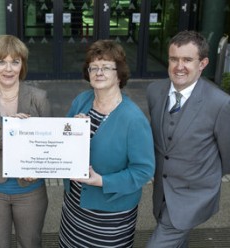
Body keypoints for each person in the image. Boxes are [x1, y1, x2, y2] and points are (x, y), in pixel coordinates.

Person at [146, 30, 230, 248]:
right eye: (174, 59)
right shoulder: (154, 91)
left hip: (193, 196)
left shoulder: (220, 104)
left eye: (187, 60)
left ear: (203, 63)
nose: (179, 66)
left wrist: (204, 178)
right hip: (162, 192)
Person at [58, 40, 155, 247]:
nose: (98, 72)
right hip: (74, 207)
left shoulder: (133, 119)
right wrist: (70, 131)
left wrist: (102, 181)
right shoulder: (81, 101)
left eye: (106, 67)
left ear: (119, 74)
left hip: (110, 216)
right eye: (93, 67)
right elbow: (62, 144)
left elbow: (143, 171)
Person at [0, 34, 51, 248]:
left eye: (15, 61)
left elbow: (50, 145)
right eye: (1, 61)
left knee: (30, 243)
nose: (8, 68)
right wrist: (8, 132)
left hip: (30, 190)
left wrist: (40, 169)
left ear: (22, 65)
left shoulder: (38, 97)